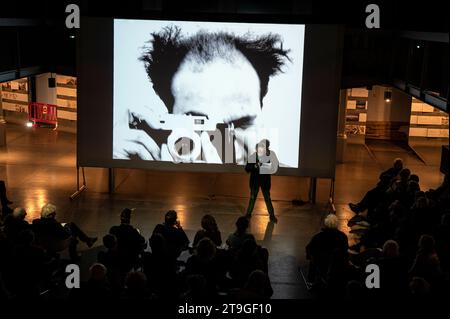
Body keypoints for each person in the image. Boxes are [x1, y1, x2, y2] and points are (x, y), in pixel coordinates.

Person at [114, 28, 291, 165]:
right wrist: (118, 162)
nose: (224, 147)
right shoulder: (150, 170)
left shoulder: (282, 180)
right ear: (169, 121)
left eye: (241, 124)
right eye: (199, 125)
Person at [32, 203, 97, 260]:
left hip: (43, 243)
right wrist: (67, 229)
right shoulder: (54, 224)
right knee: (73, 235)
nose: (55, 214)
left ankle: (88, 240)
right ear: (51, 215)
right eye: (54, 213)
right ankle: (75, 256)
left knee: (71, 224)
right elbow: (66, 235)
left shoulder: (35, 222)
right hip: (56, 244)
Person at [305, 214, 349, 283]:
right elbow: (345, 250)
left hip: (321, 264)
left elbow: (309, 249)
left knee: (312, 256)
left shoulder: (318, 237)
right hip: (337, 266)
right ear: (337, 224)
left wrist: (311, 257)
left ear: (325, 224)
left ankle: (311, 280)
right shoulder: (343, 237)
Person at [244, 139, 279, 223]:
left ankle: (272, 215)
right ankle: (248, 214)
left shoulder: (270, 156)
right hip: (255, 182)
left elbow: (275, 168)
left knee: (267, 199)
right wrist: (255, 166)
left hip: (265, 182)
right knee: (252, 198)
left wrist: (266, 166)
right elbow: (247, 169)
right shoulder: (253, 156)